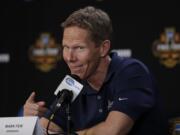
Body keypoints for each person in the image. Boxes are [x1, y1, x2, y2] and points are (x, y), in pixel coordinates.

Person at [23, 6, 168, 135]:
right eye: (66, 47)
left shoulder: (131, 72)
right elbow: (47, 129)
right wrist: (30, 125)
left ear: (103, 48)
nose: (69, 57)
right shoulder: (72, 84)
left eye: (79, 48)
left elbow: (113, 131)